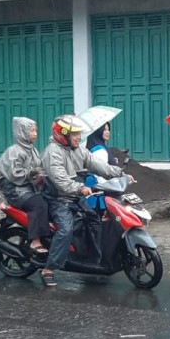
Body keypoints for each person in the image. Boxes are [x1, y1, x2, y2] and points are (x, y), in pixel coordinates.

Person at [39, 115, 127, 287]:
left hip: (75, 197)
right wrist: (80, 188)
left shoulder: (78, 150)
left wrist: (120, 173)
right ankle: (49, 269)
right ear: (62, 135)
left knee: (94, 220)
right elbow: (61, 181)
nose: (79, 137)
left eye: (79, 134)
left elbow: (98, 165)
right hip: (58, 199)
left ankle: (93, 259)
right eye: (74, 134)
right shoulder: (52, 153)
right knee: (66, 229)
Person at [0, 117, 51, 255]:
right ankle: (35, 241)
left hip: (28, 187)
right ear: (22, 132)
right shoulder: (14, 151)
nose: (35, 134)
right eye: (31, 131)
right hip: (15, 190)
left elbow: (40, 167)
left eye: (35, 131)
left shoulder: (33, 151)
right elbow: (15, 175)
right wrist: (34, 172)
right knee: (39, 205)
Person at [85, 122, 118, 209]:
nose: (108, 132)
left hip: (94, 186)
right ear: (98, 131)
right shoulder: (99, 150)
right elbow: (102, 170)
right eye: (104, 130)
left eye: (108, 130)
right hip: (98, 187)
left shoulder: (96, 144)